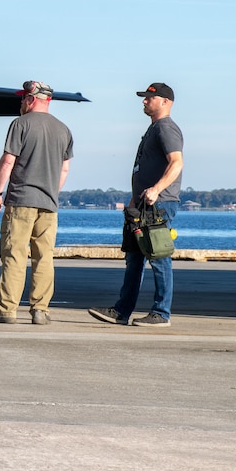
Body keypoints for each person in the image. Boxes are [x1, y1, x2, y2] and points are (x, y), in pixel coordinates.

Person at [90, 83, 184, 327]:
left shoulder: (166, 128)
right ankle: (121, 311)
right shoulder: (153, 129)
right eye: (144, 98)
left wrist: (156, 189)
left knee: (159, 257)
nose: (144, 101)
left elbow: (176, 163)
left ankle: (161, 313)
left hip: (159, 205)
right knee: (133, 257)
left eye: (149, 98)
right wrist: (133, 202)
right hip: (141, 207)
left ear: (165, 101)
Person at [0, 81, 74, 325]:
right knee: (44, 256)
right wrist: (52, 192)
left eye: (23, 98)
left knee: (14, 254)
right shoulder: (63, 129)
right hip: (49, 203)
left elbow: (7, 161)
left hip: (21, 201)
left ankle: (7, 310)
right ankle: (40, 310)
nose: (21, 102)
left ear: (32, 99)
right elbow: (65, 168)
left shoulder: (20, 124)